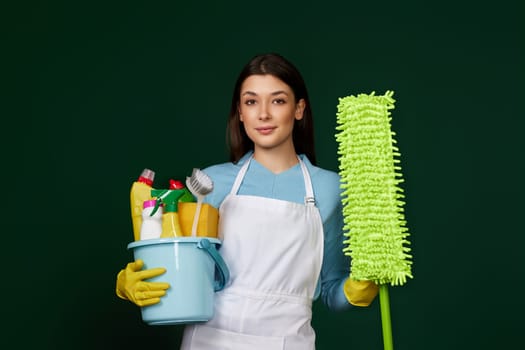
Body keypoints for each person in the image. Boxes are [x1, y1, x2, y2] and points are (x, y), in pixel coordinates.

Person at [116, 52, 379, 349]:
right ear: (240, 112)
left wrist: (358, 288)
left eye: (278, 100)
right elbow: (183, 271)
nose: (263, 114)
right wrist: (133, 283)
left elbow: (333, 291)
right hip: (209, 341)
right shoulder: (212, 185)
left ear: (299, 109)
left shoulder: (331, 189)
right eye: (251, 102)